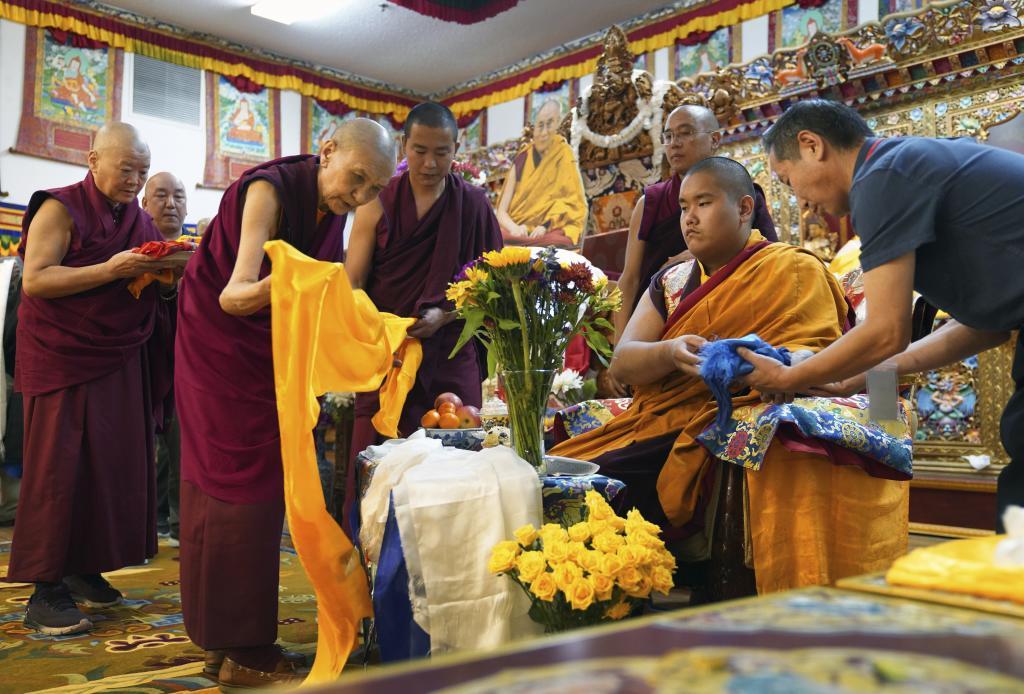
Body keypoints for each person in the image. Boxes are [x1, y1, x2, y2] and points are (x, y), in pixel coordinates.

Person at [549, 157, 909, 593]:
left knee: (607, 478)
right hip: (660, 415)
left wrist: (756, 361)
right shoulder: (671, 279)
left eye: (703, 202)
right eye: (683, 207)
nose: (690, 218)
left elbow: (817, 356)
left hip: (723, 418)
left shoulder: (794, 268)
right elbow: (624, 361)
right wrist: (670, 351)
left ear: (743, 208)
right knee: (562, 466)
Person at [174, 118, 395, 688]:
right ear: (327, 152)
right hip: (220, 352)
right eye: (357, 179)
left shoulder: (329, 207)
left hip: (261, 356)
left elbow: (313, 290)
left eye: (374, 189)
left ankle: (223, 643)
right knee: (239, 495)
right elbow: (235, 293)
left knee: (248, 494)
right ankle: (245, 649)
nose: (361, 196)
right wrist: (304, 281)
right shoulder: (268, 192)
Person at [741, 98, 1024, 533]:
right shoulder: (899, 168)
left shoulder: (881, 177)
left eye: (787, 178)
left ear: (812, 145)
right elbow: (985, 325)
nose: (798, 198)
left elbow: (886, 331)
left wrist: (789, 378)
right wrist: (855, 378)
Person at [5, 122, 174, 635]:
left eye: (142, 171)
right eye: (126, 169)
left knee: (110, 465)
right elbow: (36, 278)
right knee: (59, 469)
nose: (134, 179)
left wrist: (166, 276)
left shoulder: (139, 220)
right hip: (63, 354)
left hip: (117, 355)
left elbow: (142, 283)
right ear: (94, 159)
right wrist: (110, 270)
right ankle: (44, 588)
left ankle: (82, 567)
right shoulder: (58, 206)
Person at [346, 103, 502, 515]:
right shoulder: (376, 201)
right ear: (403, 145)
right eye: (419, 151)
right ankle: (370, 568)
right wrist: (378, 333)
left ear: (457, 148)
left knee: (458, 466)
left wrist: (445, 316)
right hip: (388, 356)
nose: (430, 163)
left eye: (441, 152)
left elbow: (492, 289)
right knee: (377, 468)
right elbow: (353, 281)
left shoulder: (473, 206)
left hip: (450, 355)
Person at [615, 104, 778, 338]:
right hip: (659, 322)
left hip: (733, 317)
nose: (674, 143)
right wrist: (620, 350)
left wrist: (696, 257)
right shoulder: (651, 202)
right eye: (668, 136)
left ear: (714, 139)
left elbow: (769, 257)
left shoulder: (743, 195)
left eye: (686, 133)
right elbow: (629, 279)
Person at [141, 172, 187, 547]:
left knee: (182, 451)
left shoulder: (203, 255)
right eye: (160, 195)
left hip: (187, 370)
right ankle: (141, 528)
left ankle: (178, 526)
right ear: (144, 204)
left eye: (178, 196)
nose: (170, 203)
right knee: (138, 453)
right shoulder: (130, 250)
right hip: (139, 365)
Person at [495, 98, 587, 247]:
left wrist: (545, 226)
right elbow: (501, 212)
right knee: (493, 238)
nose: (543, 132)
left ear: (557, 124)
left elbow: (572, 204)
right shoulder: (522, 158)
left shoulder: (563, 153)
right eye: (540, 125)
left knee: (558, 241)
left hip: (550, 230)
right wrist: (515, 228)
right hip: (517, 232)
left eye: (549, 124)